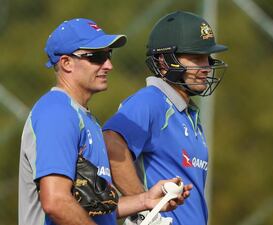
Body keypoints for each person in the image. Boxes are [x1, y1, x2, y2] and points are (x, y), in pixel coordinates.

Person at [18, 18, 190, 225]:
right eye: (97, 56)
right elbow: (56, 202)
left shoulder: (84, 118)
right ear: (66, 63)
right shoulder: (56, 112)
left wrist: (145, 200)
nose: (108, 65)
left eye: (108, 55)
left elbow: (94, 208)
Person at [103, 11, 228, 225]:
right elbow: (111, 142)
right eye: (196, 57)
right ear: (164, 61)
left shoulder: (188, 112)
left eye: (207, 58)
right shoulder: (151, 101)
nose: (206, 67)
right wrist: (145, 211)